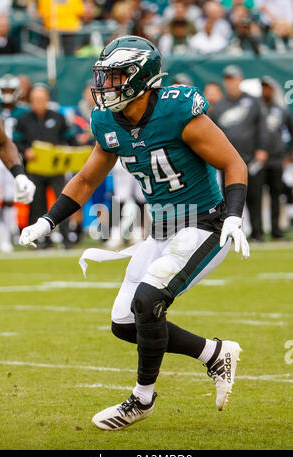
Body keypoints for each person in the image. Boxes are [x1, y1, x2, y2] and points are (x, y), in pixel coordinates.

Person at [19, 35, 249, 430]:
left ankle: (141, 399)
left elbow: (233, 163)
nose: (105, 86)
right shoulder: (108, 121)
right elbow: (87, 179)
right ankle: (214, 354)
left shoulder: (179, 112)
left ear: (139, 77)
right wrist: (47, 220)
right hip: (160, 230)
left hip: (204, 223)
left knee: (148, 299)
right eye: (103, 77)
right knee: (125, 322)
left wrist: (233, 215)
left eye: (113, 77)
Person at [14, 84, 77, 248]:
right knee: (37, 206)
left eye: (41, 99)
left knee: (62, 203)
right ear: (30, 101)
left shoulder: (58, 117)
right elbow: (15, 142)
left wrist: (74, 153)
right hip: (34, 169)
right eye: (34, 100)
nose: (38, 103)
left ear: (47, 100)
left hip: (56, 169)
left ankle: (65, 238)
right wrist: (25, 150)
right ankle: (40, 240)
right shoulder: (23, 120)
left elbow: (71, 139)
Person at [211, 65, 268, 241]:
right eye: (228, 80)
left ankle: (258, 232)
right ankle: (232, 233)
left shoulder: (254, 101)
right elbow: (212, 133)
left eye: (233, 79)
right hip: (227, 161)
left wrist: (262, 147)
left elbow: (262, 126)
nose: (231, 83)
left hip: (250, 158)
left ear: (240, 79)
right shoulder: (219, 106)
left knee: (254, 196)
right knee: (230, 198)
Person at [0, 78, 35, 250]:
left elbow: (1, 141)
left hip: (3, 159)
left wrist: (19, 174)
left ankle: (3, 235)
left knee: (6, 199)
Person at [260, 75, 293, 239]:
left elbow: (291, 132)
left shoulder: (280, 110)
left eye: (268, 87)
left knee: (276, 195)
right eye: (263, 87)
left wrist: (289, 155)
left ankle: (276, 230)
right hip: (259, 160)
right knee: (256, 195)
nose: (265, 90)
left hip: (276, 159)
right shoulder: (256, 109)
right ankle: (257, 231)